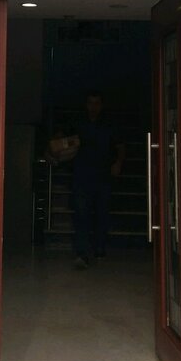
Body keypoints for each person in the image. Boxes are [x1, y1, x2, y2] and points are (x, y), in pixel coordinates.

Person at [49, 91, 126, 268]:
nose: (93, 107)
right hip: (81, 175)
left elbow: (120, 146)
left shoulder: (108, 125)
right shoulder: (78, 123)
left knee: (102, 213)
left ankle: (99, 247)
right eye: (90, 103)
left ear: (101, 105)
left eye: (96, 103)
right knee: (81, 214)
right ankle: (82, 253)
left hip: (103, 175)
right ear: (86, 105)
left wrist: (118, 163)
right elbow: (60, 138)